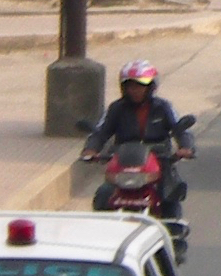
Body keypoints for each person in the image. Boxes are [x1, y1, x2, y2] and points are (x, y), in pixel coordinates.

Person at [82, 59, 194, 224]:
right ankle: (103, 232)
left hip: (158, 162)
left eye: (140, 86)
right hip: (124, 163)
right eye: (131, 86)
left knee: (170, 194)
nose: (135, 91)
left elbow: (180, 129)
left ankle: (172, 233)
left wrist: (186, 147)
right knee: (104, 194)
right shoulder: (116, 108)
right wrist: (91, 149)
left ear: (150, 87)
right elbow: (101, 132)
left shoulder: (163, 107)